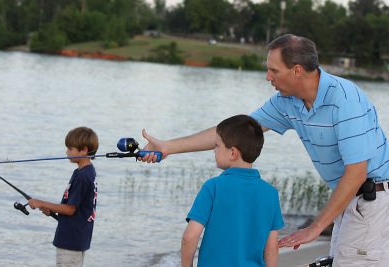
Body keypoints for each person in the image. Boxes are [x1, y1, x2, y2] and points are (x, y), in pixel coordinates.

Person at [140, 34, 389, 266]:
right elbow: (234, 132)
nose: (268, 77)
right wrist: (169, 146)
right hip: (348, 201)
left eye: (273, 70)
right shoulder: (287, 102)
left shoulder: (345, 100)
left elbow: (356, 173)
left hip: (371, 201)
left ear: (297, 71)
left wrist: (315, 228)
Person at [181, 115, 284, 267]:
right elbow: (271, 247)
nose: (214, 151)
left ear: (233, 153)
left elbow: (189, 237)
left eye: (217, 146)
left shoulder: (213, 187)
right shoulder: (270, 193)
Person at [28, 126, 99, 267]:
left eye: (70, 149)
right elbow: (76, 207)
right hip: (77, 236)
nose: (66, 152)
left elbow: (70, 209)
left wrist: (40, 202)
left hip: (70, 240)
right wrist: (51, 210)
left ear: (84, 150)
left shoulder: (83, 176)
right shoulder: (85, 171)